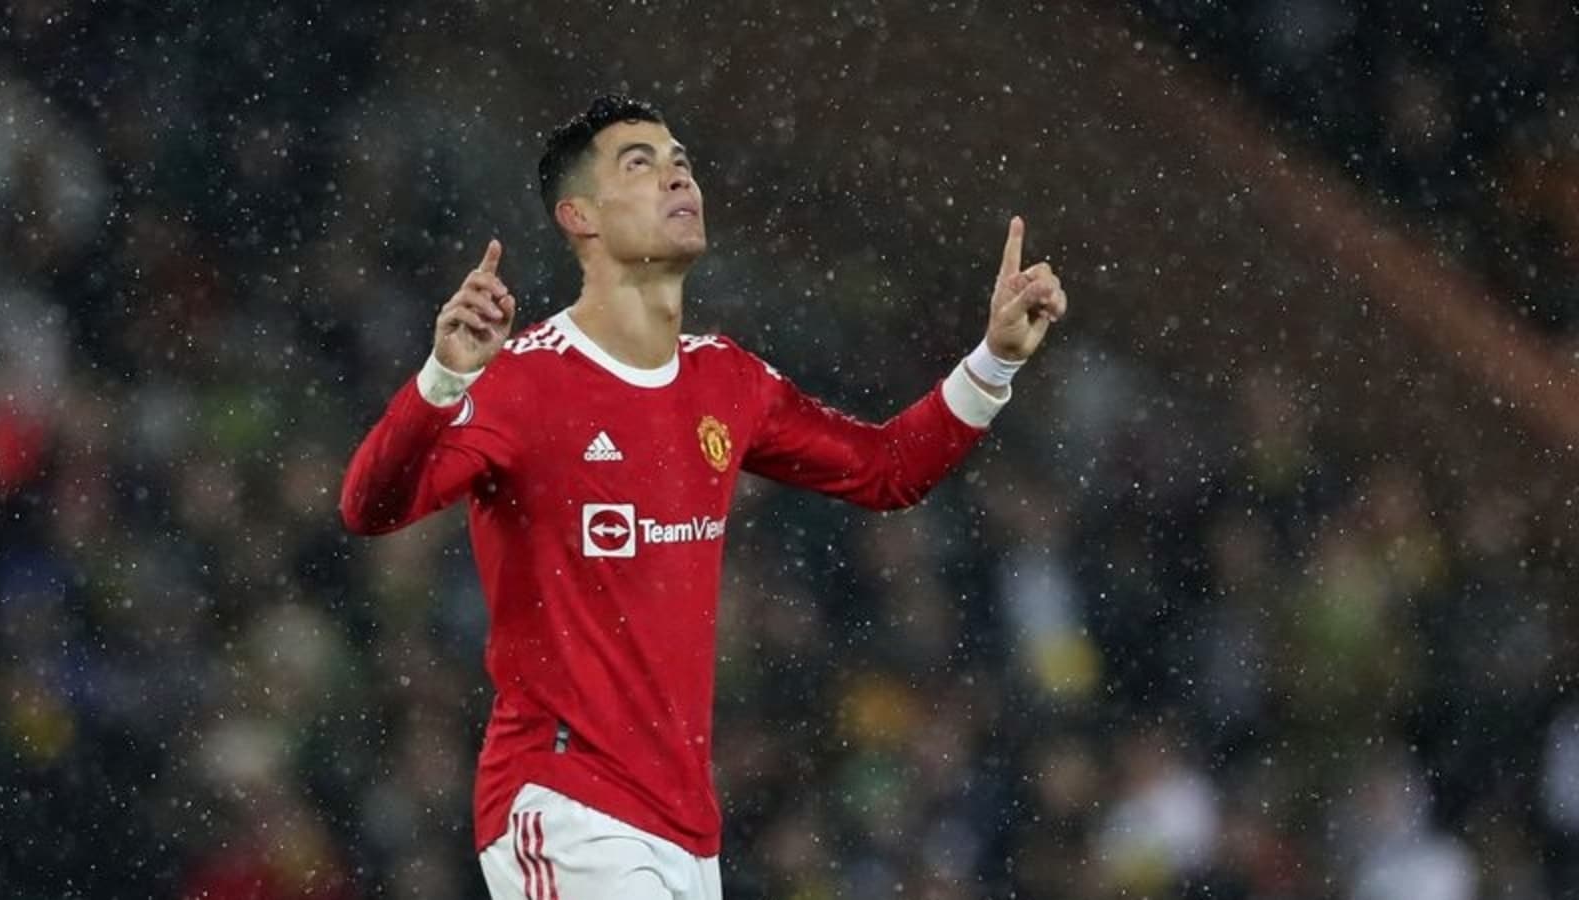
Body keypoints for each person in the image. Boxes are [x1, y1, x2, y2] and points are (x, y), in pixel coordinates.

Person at [339, 94, 1067, 900]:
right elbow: (370, 507)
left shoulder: (726, 379)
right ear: (579, 216)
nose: (677, 175)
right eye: (640, 164)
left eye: (680, 158)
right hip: (567, 804)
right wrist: (443, 378)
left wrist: (995, 361)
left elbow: (886, 469)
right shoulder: (525, 382)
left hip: (686, 830)